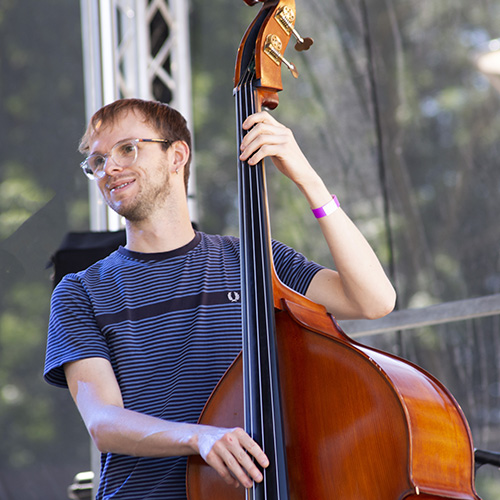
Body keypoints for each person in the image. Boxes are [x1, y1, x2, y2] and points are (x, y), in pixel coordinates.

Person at [44, 98, 396, 499]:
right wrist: (201, 438)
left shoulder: (256, 260)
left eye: (128, 148)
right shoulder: (80, 291)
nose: (110, 168)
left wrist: (307, 179)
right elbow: (104, 423)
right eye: (98, 161)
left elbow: (373, 299)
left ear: (176, 155)